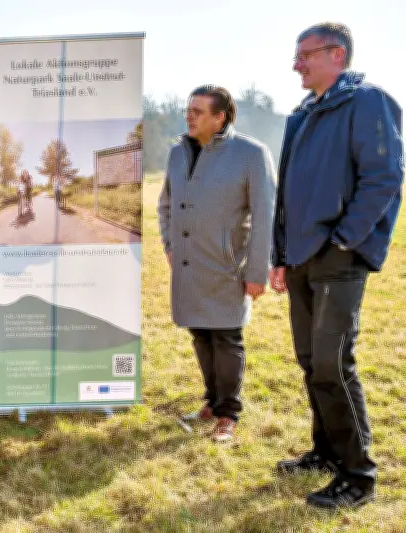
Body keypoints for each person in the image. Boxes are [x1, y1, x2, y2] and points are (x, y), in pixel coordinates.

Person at [270, 23, 403, 509]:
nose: (296, 64)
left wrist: (345, 240)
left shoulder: (368, 101)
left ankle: (357, 475)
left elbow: (385, 176)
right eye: (296, 55)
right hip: (302, 257)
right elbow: (285, 194)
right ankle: (326, 452)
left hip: (338, 257)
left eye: (305, 55)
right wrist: (281, 255)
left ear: (337, 55)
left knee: (332, 364)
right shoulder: (303, 114)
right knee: (311, 363)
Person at [158, 85, 276, 442]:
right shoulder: (178, 153)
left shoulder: (252, 154)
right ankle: (211, 401)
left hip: (227, 266)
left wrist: (257, 272)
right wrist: (169, 245)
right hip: (189, 264)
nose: (188, 116)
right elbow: (165, 205)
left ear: (220, 116)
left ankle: (228, 414)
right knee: (200, 333)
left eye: (197, 111)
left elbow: (265, 216)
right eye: (188, 109)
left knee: (226, 337)